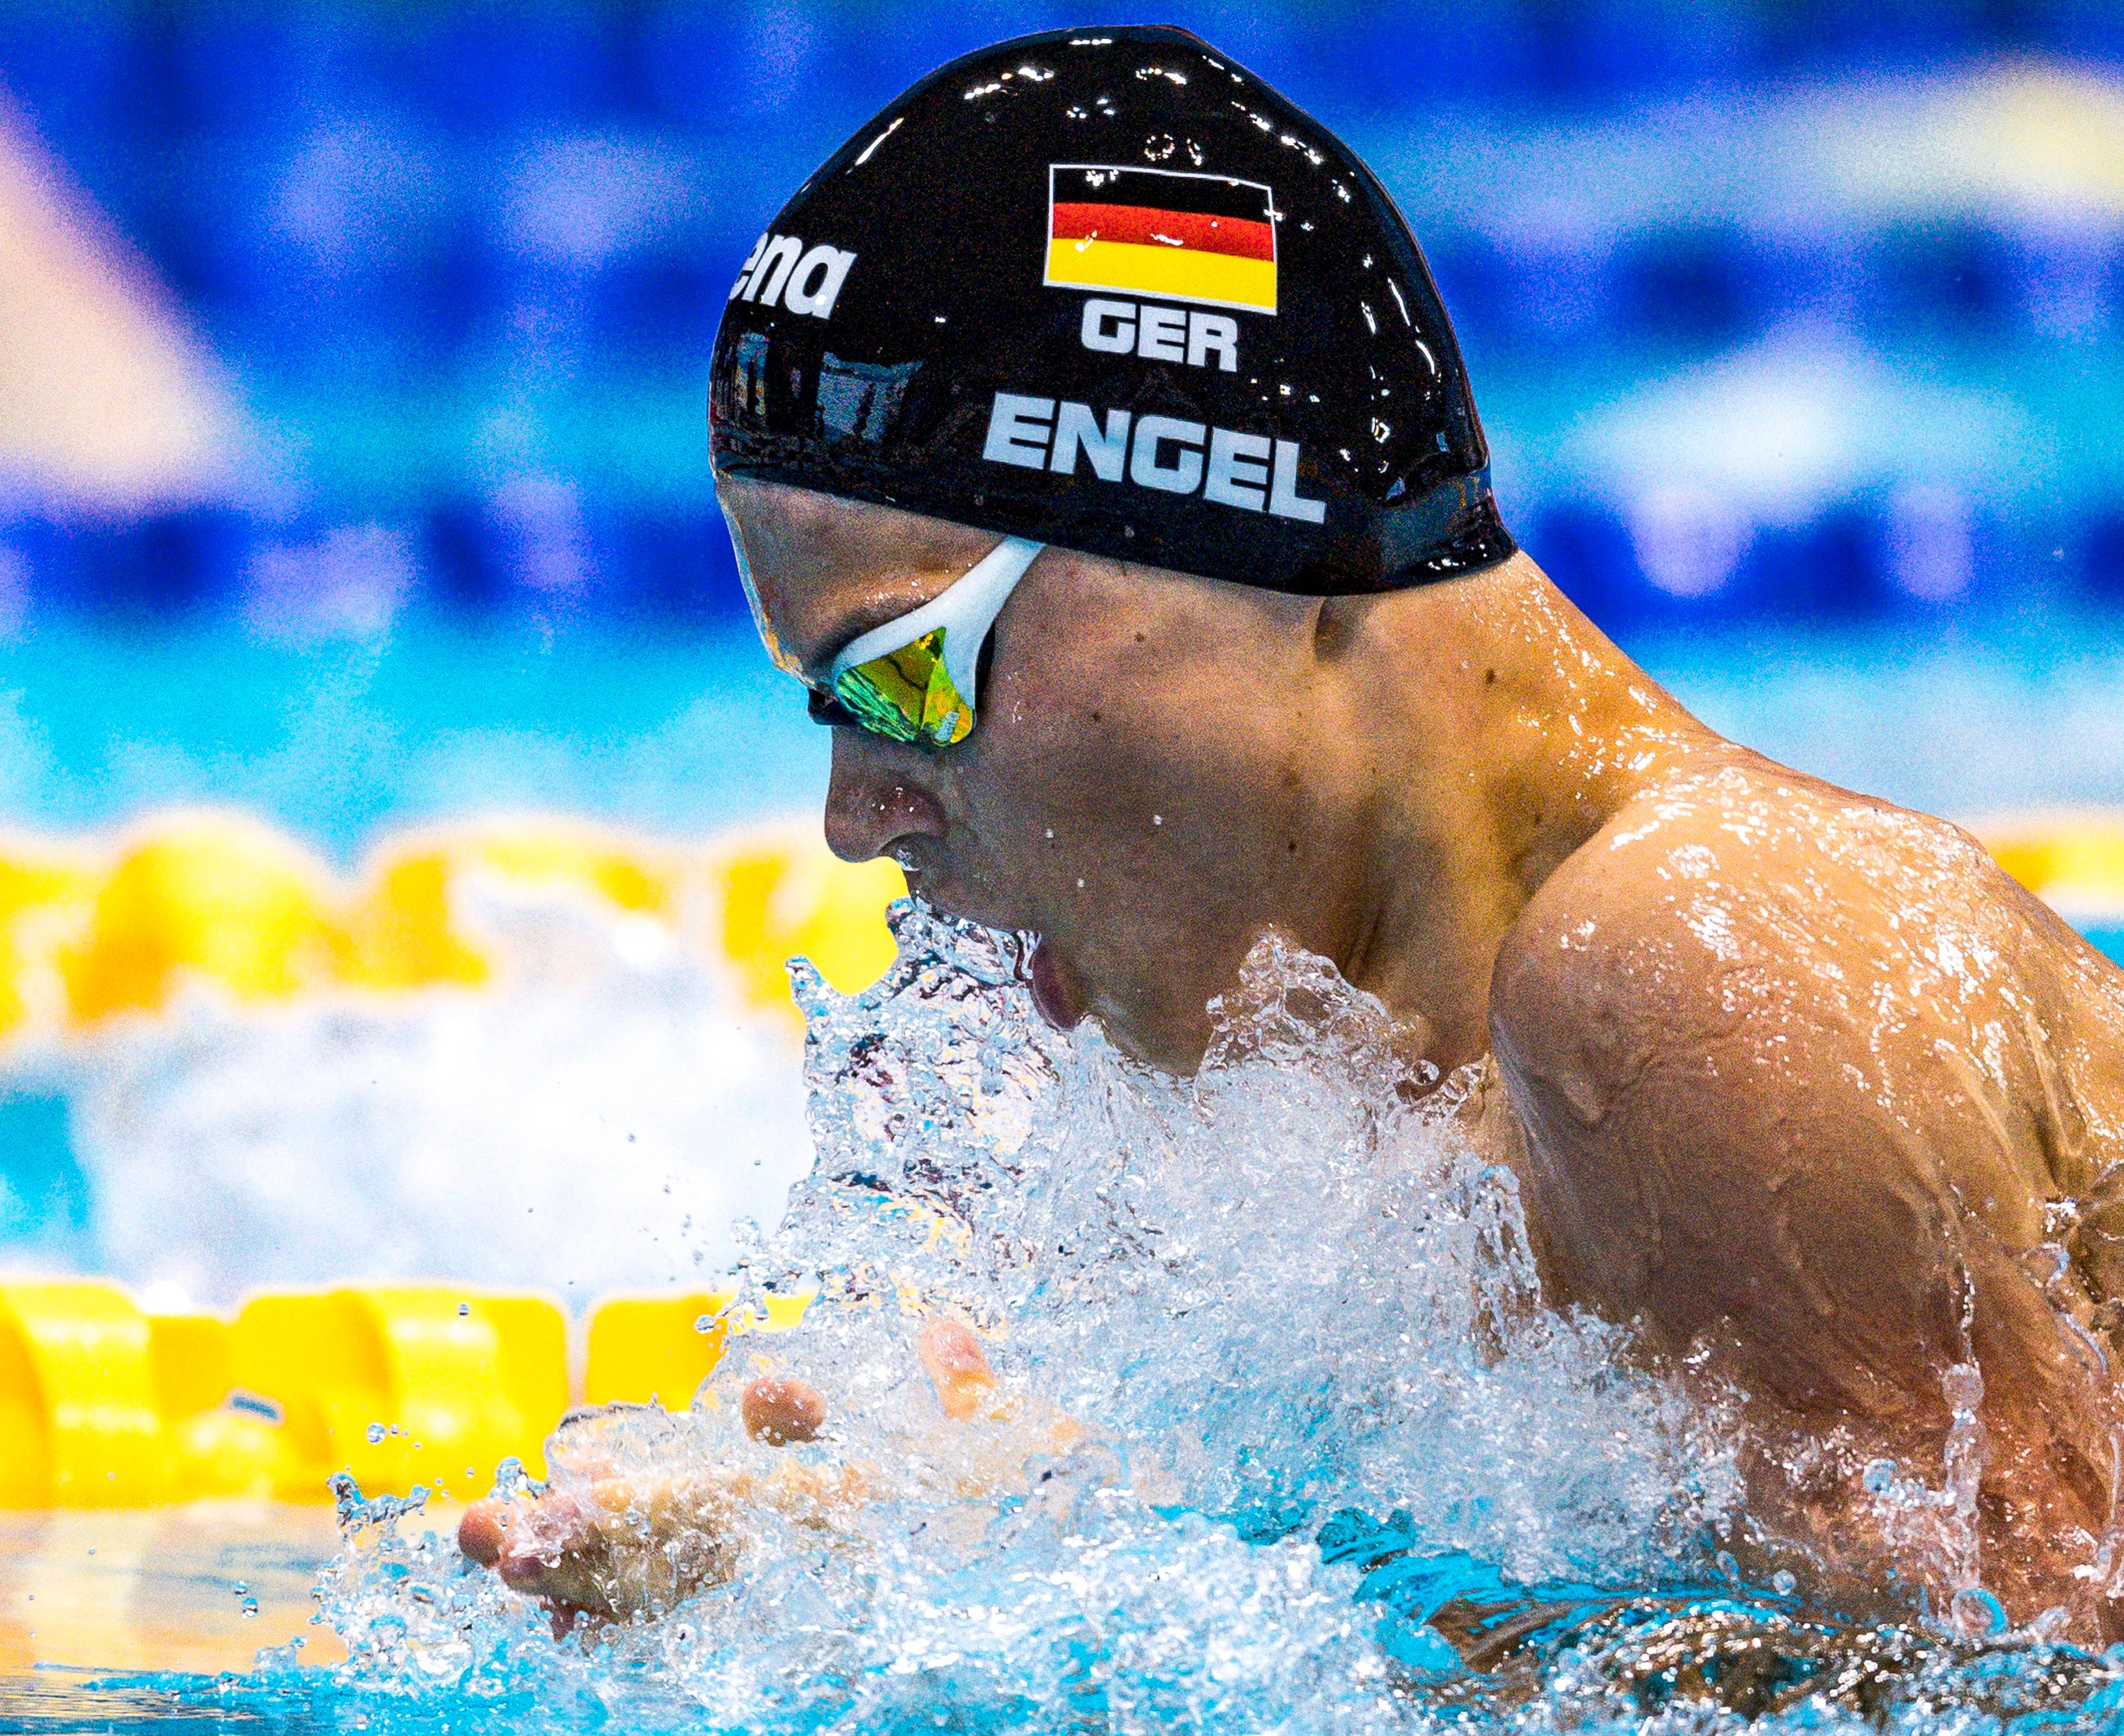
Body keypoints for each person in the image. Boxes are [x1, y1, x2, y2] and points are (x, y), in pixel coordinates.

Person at [462, 24, 2124, 1644]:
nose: (853, 814)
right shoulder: (1370, 1094)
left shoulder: (1700, 962)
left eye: (901, 678)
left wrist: (1101, 1610)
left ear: (1238, 540)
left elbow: (2005, 1683)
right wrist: (953, 1534)